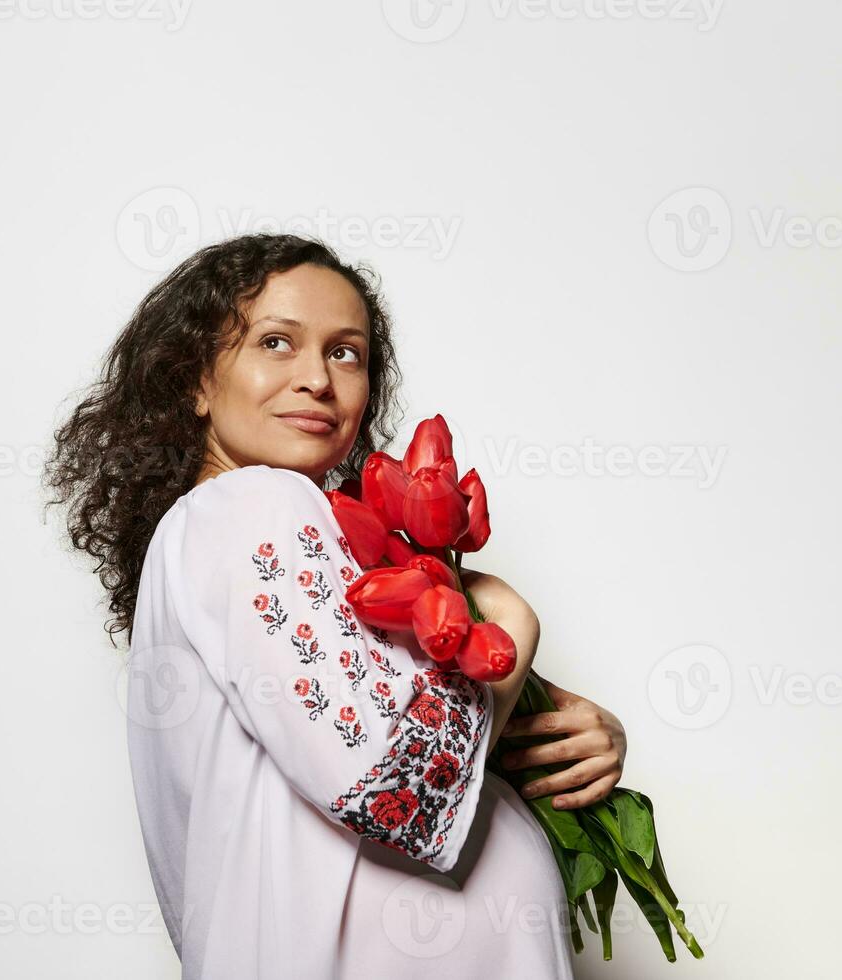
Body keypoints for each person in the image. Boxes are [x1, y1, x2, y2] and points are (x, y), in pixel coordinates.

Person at [44, 234, 627, 978]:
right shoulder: (251, 504)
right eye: (276, 342)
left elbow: (413, 738)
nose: (316, 379)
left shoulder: (277, 538)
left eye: (346, 353)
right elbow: (402, 789)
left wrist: (560, 741)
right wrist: (508, 622)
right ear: (195, 379)